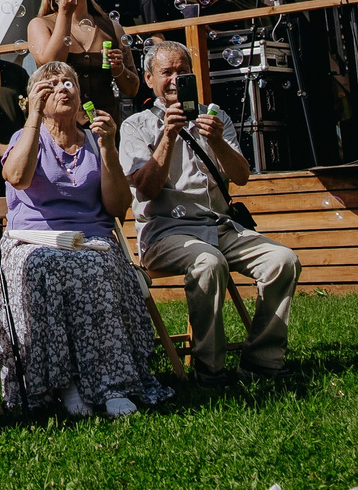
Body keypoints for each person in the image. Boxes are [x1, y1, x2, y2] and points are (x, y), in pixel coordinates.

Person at [0, 60, 170, 418]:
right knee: (45, 267)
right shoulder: (25, 137)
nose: (63, 87)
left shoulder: (94, 140)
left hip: (91, 239)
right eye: (52, 83)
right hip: (33, 241)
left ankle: (112, 383)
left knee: (99, 263)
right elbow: (17, 177)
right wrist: (33, 119)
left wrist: (107, 148)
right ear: (35, 97)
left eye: (69, 82)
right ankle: (67, 383)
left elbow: (118, 206)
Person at [120, 44, 301, 382]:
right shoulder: (136, 126)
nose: (176, 80)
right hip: (166, 232)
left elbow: (242, 176)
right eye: (166, 73)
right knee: (208, 262)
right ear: (148, 79)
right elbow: (145, 189)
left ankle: (262, 358)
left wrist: (217, 141)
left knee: (283, 260)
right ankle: (210, 368)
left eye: (182, 71)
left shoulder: (213, 117)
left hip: (220, 226)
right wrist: (168, 137)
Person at [27, 0, 143, 117]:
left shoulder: (111, 27)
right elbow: (52, 65)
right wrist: (65, 12)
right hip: (64, 124)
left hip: (106, 125)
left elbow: (132, 89)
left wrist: (118, 69)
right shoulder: (40, 25)